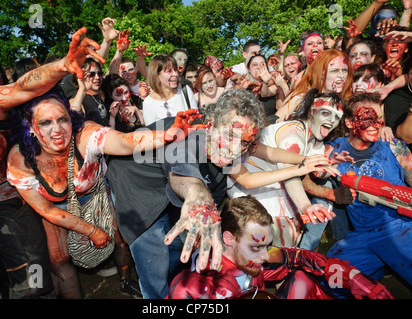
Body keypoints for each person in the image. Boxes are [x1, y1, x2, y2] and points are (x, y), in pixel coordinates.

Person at [107, 89, 338, 299]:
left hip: (170, 191)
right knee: (154, 261)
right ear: (210, 123)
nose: (236, 149)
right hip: (136, 186)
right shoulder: (185, 134)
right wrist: (199, 195)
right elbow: (184, 174)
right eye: (230, 137)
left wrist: (304, 162)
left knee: (180, 253)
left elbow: (264, 157)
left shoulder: (230, 140)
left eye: (245, 143)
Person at [6, 89, 203, 299]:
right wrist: (90, 230)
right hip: (55, 208)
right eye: (45, 123)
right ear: (30, 127)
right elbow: (46, 209)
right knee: (58, 257)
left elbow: (125, 141)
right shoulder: (20, 160)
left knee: (120, 238)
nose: (57, 129)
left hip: (97, 194)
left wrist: (166, 136)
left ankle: (126, 281)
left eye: (62, 119)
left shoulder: (84, 134)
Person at [0, 27, 103, 298]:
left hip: (41, 193)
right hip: (9, 220)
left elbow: (22, 86)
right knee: (35, 278)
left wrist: (63, 65)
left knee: (60, 259)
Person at [167, 195, 393, 299]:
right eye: (256, 247)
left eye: (267, 245)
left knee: (303, 281)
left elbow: (300, 258)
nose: (265, 255)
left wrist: (354, 278)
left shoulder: (251, 261)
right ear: (229, 239)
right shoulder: (194, 288)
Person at [228, 89, 348, 247]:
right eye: (326, 113)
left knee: (286, 242)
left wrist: (330, 164)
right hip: (252, 194)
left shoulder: (313, 140)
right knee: (278, 241)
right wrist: (305, 206)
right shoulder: (294, 133)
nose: (332, 120)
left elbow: (314, 170)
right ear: (312, 111)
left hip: (270, 188)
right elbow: (282, 172)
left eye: (337, 117)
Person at [326, 92, 412, 285]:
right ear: (349, 122)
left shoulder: (392, 145)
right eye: (368, 119)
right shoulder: (334, 150)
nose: (377, 125)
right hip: (363, 235)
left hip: (402, 227)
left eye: (380, 118)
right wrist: (329, 192)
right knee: (331, 278)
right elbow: (308, 176)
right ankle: (379, 267)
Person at [275, 49, 353, 122]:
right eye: (334, 71)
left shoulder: (347, 100)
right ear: (321, 73)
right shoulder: (301, 96)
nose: (341, 75)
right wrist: (286, 121)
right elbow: (273, 122)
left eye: (344, 70)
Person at [142, 54, 198, 125]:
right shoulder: (149, 103)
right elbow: (154, 133)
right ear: (157, 75)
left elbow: (196, 121)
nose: (175, 74)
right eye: (169, 71)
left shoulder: (185, 90)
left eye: (175, 70)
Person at [64, 58, 109, 127]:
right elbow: (72, 116)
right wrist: (82, 89)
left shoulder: (101, 94)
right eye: (91, 74)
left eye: (99, 73)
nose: (97, 77)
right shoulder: (79, 99)